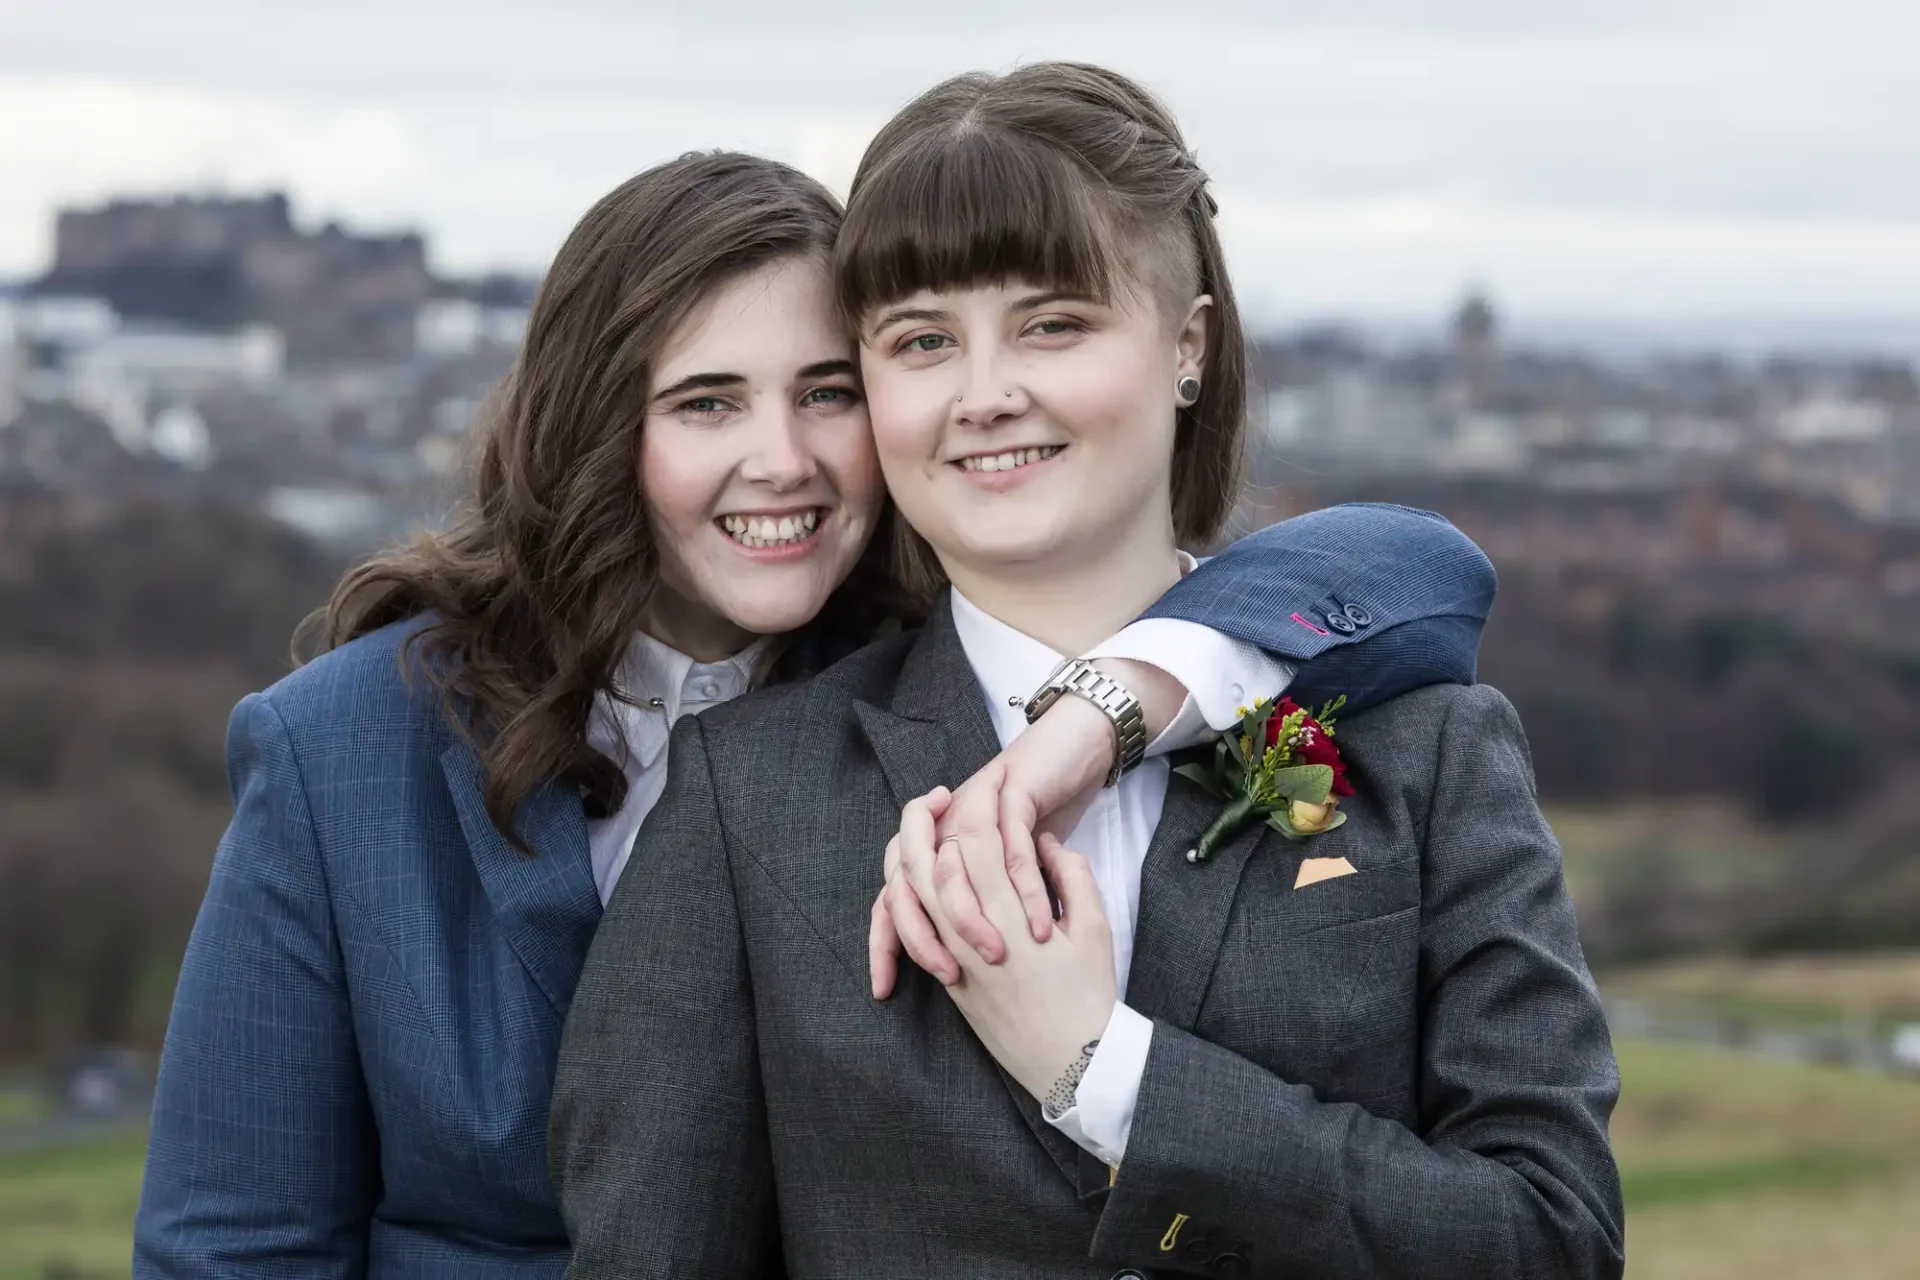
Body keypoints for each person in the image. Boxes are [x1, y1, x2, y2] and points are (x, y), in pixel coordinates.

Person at [133, 151, 1494, 1277]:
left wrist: (1109, 709)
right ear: (601, 430)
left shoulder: (938, 677)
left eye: (828, 394)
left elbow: (1404, 567)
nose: (780, 462)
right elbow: (233, 1245)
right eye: (706, 402)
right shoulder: (344, 753)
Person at [551, 63, 1621, 1280]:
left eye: (1053, 322)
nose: (987, 393)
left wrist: (1106, 1074)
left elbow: (1556, 1241)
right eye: (920, 341)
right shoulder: (750, 797)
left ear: (1189, 345)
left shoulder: (1426, 749)